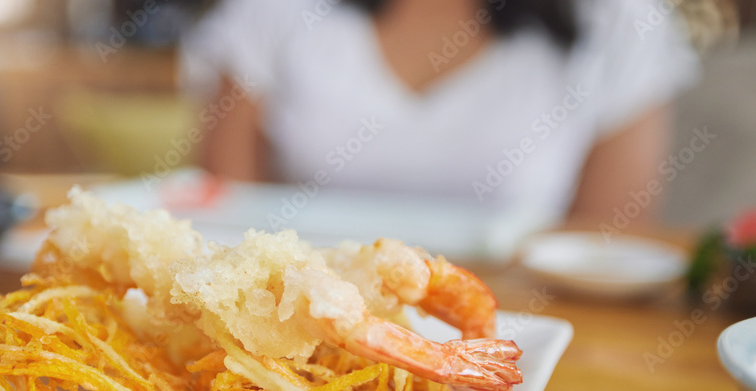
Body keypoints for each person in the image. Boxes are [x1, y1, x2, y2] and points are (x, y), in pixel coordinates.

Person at [179, 0, 702, 224]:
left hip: (522, 343)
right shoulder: (272, 12)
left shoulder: (618, 23)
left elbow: (605, 257)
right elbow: (224, 212)